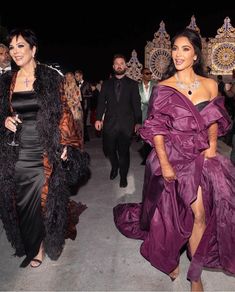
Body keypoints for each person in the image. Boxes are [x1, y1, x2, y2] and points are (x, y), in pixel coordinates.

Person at [113, 28, 235, 291]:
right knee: (171, 218)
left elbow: (214, 119)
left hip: (201, 157)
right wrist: (165, 163)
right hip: (172, 155)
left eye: (185, 49)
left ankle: (195, 275)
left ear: (195, 55)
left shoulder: (210, 84)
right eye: (175, 48)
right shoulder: (163, 88)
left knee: (200, 214)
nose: (178, 54)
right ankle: (169, 260)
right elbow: (156, 129)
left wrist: (212, 145)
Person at [0, 28, 87, 268]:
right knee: (19, 198)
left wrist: (66, 143)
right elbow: (3, 112)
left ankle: (38, 246)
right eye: (12, 47)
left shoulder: (51, 78)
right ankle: (29, 240)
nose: (15, 52)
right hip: (16, 148)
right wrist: (4, 120)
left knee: (43, 197)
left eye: (21, 46)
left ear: (33, 49)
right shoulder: (7, 81)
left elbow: (65, 113)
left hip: (44, 148)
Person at [95, 54, 142, 188]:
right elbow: (101, 103)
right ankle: (114, 166)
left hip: (126, 124)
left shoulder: (132, 84)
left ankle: (123, 176)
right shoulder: (106, 84)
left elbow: (136, 104)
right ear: (113, 66)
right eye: (117, 63)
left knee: (124, 151)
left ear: (125, 66)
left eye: (122, 63)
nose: (119, 65)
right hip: (109, 123)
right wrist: (98, 118)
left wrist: (138, 122)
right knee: (109, 150)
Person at [138, 68, 156, 165]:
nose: (149, 75)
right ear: (142, 75)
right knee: (143, 136)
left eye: (150, 73)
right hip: (141, 113)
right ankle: (145, 157)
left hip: (153, 113)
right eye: (147, 73)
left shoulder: (155, 85)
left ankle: (151, 157)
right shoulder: (138, 86)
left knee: (152, 136)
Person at [75, 69, 92, 142]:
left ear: (81, 76)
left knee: (83, 121)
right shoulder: (75, 84)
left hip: (84, 105)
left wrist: (82, 95)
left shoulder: (87, 84)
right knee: (80, 122)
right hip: (78, 105)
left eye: (77, 76)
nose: (76, 77)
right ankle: (84, 137)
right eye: (75, 76)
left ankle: (84, 138)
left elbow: (91, 94)